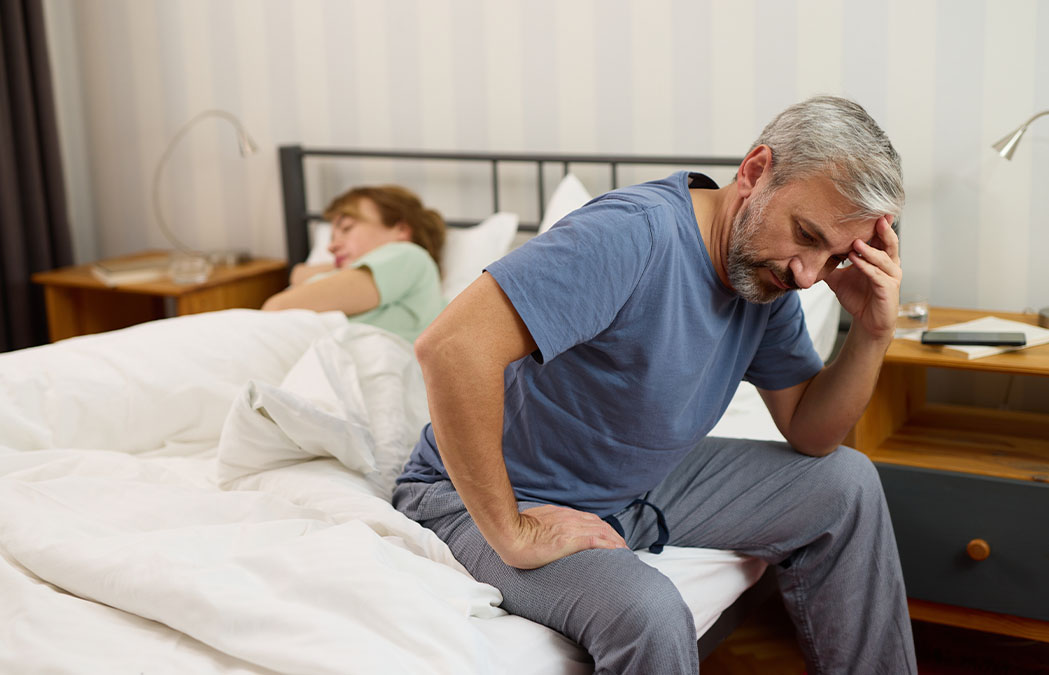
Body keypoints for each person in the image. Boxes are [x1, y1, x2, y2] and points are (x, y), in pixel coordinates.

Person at [393, 96, 917, 674]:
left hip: (636, 485)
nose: (808, 274)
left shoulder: (767, 279)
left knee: (845, 482)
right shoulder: (633, 235)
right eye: (805, 234)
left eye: (833, 256)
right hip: (487, 498)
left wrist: (871, 333)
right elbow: (449, 347)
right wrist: (513, 532)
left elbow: (811, 434)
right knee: (650, 611)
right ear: (754, 171)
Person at [262, 185, 445, 343]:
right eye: (332, 236)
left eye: (347, 228)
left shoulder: (408, 255)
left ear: (401, 231)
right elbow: (298, 274)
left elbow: (277, 309)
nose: (331, 246)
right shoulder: (370, 274)